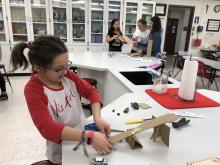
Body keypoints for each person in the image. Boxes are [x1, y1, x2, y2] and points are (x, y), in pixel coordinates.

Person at [11, 36, 112, 165]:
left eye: (66, 66)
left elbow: (91, 92)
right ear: (38, 67)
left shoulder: (67, 76)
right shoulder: (33, 90)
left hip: (83, 139)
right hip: (61, 152)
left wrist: (97, 118)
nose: (64, 72)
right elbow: (48, 128)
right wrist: (89, 136)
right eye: (58, 69)